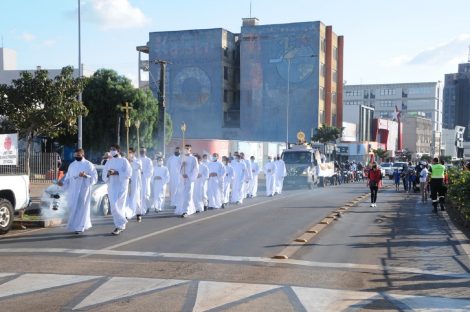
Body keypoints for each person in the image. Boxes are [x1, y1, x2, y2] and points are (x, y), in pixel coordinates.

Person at [59, 148, 97, 234]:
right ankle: (74, 225)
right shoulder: (72, 165)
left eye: (78, 155)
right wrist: (63, 183)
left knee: (81, 208)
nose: (77, 156)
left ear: (82, 155)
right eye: (75, 155)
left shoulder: (88, 165)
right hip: (73, 191)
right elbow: (68, 178)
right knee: (73, 208)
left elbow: (94, 178)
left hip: (83, 190)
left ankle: (80, 227)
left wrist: (85, 175)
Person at [103, 144, 132, 235]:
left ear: (118, 151)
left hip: (121, 186)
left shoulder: (124, 161)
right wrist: (108, 174)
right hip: (112, 186)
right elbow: (104, 175)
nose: (112, 151)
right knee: (113, 206)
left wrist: (117, 172)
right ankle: (122, 221)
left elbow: (129, 173)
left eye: (114, 149)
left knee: (120, 205)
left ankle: (119, 226)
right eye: (111, 149)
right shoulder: (108, 162)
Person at [175, 145, 199, 217]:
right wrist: (182, 166)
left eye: (187, 149)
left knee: (188, 195)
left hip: (189, 179)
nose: (186, 150)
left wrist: (189, 176)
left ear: (190, 149)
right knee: (181, 194)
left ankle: (186, 211)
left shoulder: (193, 158)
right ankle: (181, 209)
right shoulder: (181, 158)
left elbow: (196, 169)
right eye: (185, 148)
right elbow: (177, 168)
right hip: (182, 179)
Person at [127, 148, 143, 222]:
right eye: (128, 152)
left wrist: (132, 161)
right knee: (127, 198)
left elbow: (139, 167)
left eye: (131, 152)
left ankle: (138, 214)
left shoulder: (137, 160)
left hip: (135, 182)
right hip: (127, 181)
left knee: (136, 197)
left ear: (134, 153)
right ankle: (128, 213)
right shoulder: (126, 161)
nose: (129, 154)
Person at [139, 147, 154, 214]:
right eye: (141, 151)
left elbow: (150, 171)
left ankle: (147, 207)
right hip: (138, 180)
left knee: (145, 194)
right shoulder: (137, 159)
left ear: (145, 152)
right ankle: (140, 209)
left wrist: (143, 173)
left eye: (143, 151)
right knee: (139, 195)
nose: (142, 152)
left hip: (145, 180)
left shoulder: (148, 160)